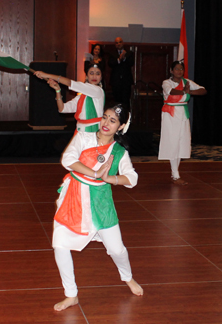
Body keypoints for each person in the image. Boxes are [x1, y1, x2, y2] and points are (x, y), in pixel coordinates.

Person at [52, 104, 143, 311]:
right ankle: (71, 294)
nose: (106, 123)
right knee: (60, 244)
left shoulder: (119, 152)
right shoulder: (83, 137)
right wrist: (94, 173)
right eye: (105, 117)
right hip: (74, 196)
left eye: (113, 121)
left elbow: (132, 178)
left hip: (101, 202)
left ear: (120, 127)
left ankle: (127, 277)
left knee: (116, 249)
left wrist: (108, 177)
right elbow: (67, 160)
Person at [158, 60, 207, 185]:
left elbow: (203, 90)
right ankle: (175, 174)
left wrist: (189, 91)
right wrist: (184, 91)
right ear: (171, 70)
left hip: (183, 114)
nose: (179, 71)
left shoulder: (187, 82)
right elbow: (171, 91)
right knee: (173, 142)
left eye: (181, 69)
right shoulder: (166, 82)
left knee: (181, 142)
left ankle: (176, 173)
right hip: (170, 114)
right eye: (177, 69)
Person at [34, 64, 104, 133]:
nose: (94, 76)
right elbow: (62, 109)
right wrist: (58, 90)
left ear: (101, 77)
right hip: (81, 133)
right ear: (86, 77)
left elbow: (69, 83)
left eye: (97, 74)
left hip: (94, 133)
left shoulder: (98, 91)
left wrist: (46, 75)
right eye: (91, 73)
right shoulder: (81, 97)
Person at [108, 37, 134, 109]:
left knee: (126, 101)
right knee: (117, 101)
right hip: (116, 82)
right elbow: (110, 63)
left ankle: (127, 117)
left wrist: (124, 57)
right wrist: (119, 59)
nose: (118, 44)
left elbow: (131, 63)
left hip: (126, 82)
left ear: (123, 43)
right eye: (116, 43)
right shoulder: (112, 53)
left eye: (120, 42)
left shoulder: (129, 53)